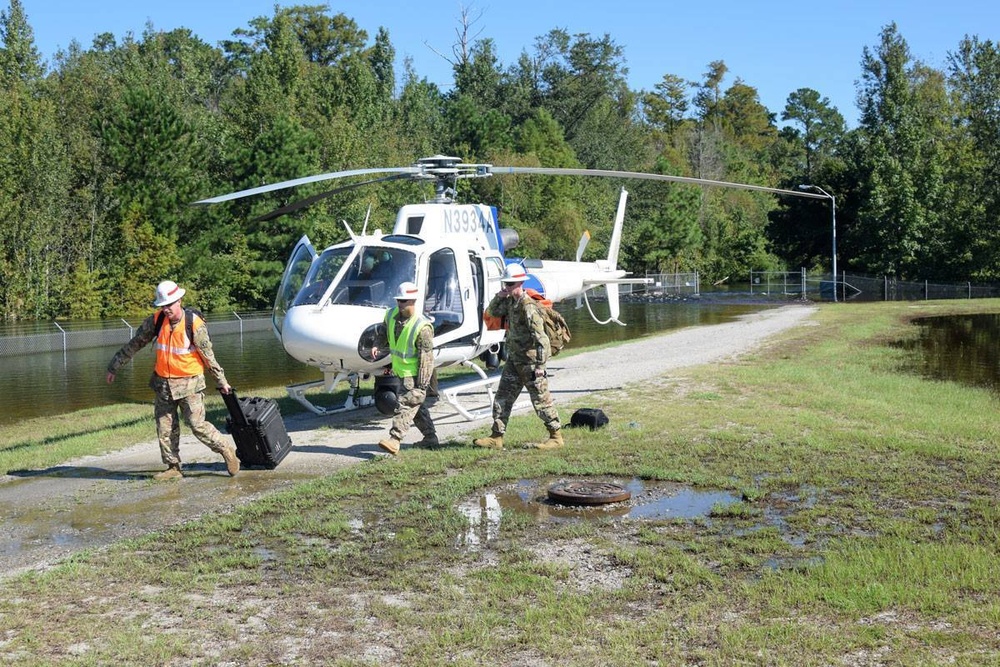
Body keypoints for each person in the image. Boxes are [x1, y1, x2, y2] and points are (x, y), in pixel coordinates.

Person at [106, 280, 240, 480]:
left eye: (169, 304)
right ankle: (173, 467)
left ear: (179, 301)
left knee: (197, 425)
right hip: (163, 384)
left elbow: (208, 356)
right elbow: (135, 343)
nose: (166, 309)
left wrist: (222, 381)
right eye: (163, 305)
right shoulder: (156, 321)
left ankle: (226, 449)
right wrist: (115, 365)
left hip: (190, 384)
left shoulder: (194, 324)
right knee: (165, 428)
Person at [473, 264, 563, 450]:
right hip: (514, 360)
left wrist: (540, 366)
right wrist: (499, 297)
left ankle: (556, 436)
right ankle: (496, 437)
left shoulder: (528, 306)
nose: (508, 286)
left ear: (520, 282)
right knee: (502, 398)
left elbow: (541, 339)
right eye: (506, 283)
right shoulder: (509, 302)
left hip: (530, 363)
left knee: (540, 399)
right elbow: (491, 313)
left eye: (512, 283)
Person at [371, 281, 439, 455]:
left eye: (403, 301)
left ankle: (395, 439)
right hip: (400, 371)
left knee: (406, 405)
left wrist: (422, 386)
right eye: (398, 300)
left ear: (413, 301)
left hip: (414, 374)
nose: (399, 304)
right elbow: (384, 331)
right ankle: (430, 438)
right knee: (416, 409)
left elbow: (427, 359)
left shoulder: (422, 327)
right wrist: (378, 345)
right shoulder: (391, 314)